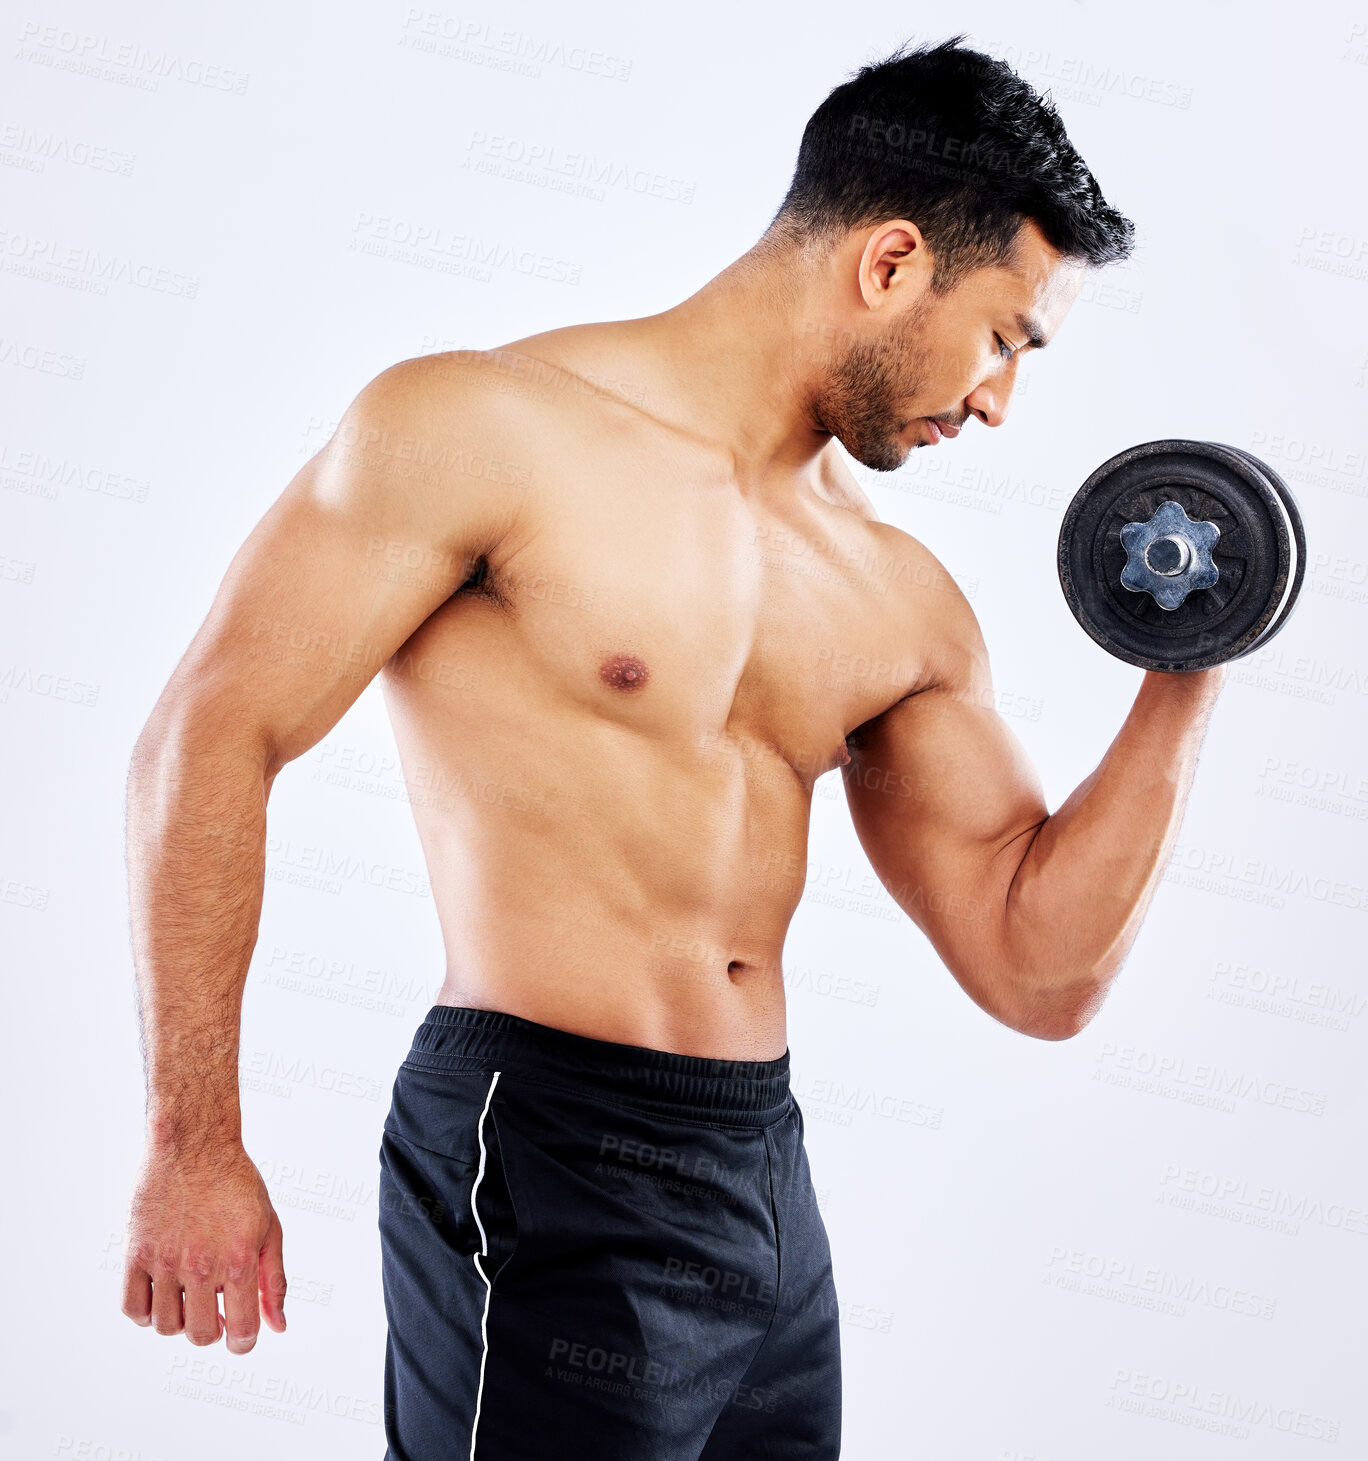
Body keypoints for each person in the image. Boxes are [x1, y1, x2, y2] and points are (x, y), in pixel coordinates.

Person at [120, 34, 1221, 1460]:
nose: (1002, 401)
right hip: (546, 1140)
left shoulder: (897, 598)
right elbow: (207, 735)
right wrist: (192, 1136)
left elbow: (1035, 960)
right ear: (891, 263)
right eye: (1007, 337)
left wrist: (1189, 656)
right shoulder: (480, 428)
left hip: (763, 1170)